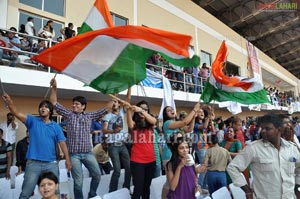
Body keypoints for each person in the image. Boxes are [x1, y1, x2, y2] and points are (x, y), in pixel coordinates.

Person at [2, 93, 71, 199]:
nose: (43, 108)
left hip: (51, 164)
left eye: (46, 107)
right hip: (33, 164)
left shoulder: (56, 127)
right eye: (41, 107)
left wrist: (67, 160)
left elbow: (63, 144)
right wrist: (10, 102)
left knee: (55, 193)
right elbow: (16, 112)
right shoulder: (32, 121)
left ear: (50, 111)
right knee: (25, 193)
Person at [50, 78, 111, 199]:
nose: (74, 105)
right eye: (73, 103)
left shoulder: (89, 116)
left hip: (88, 153)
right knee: (78, 182)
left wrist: (113, 96)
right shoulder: (68, 114)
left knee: (97, 175)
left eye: (77, 104)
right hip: (74, 155)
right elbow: (54, 103)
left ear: (83, 106)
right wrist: (54, 88)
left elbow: (106, 109)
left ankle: (92, 193)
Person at [227, 114, 300, 199]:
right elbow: (232, 167)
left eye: (268, 128)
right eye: (262, 128)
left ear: (279, 130)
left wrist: (297, 188)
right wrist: (248, 191)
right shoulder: (253, 148)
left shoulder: (291, 148)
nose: (263, 131)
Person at [161, 102, 200, 199]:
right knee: (169, 184)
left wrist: (194, 117)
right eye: (169, 111)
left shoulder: (176, 125)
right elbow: (184, 122)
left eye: (172, 109)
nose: (172, 111)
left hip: (179, 154)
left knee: (182, 178)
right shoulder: (167, 123)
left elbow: (189, 128)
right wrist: (194, 110)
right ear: (166, 115)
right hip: (169, 155)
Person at [126, 100, 157, 199]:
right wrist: (128, 110)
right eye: (141, 108)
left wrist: (142, 111)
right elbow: (130, 125)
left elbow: (154, 121)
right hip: (138, 161)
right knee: (138, 189)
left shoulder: (151, 123)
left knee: (146, 189)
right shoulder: (135, 124)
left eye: (146, 109)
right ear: (136, 111)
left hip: (151, 160)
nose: (143, 110)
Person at [102, 90, 131, 192]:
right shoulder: (107, 116)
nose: (114, 103)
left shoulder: (122, 112)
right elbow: (104, 130)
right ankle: (112, 191)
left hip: (122, 144)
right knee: (117, 170)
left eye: (116, 102)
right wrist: (113, 131)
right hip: (113, 145)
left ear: (119, 104)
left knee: (129, 168)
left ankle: (126, 188)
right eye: (112, 102)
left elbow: (128, 99)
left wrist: (130, 85)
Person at [166, 133, 205, 199]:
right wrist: (179, 167)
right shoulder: (171, 164)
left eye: (187, 147)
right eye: (181, 148)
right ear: (176, 150)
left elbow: (193, 178)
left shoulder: (190, 160)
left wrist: (197, 187)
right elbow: (172, 187)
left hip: (190, 195)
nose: (185, 150)